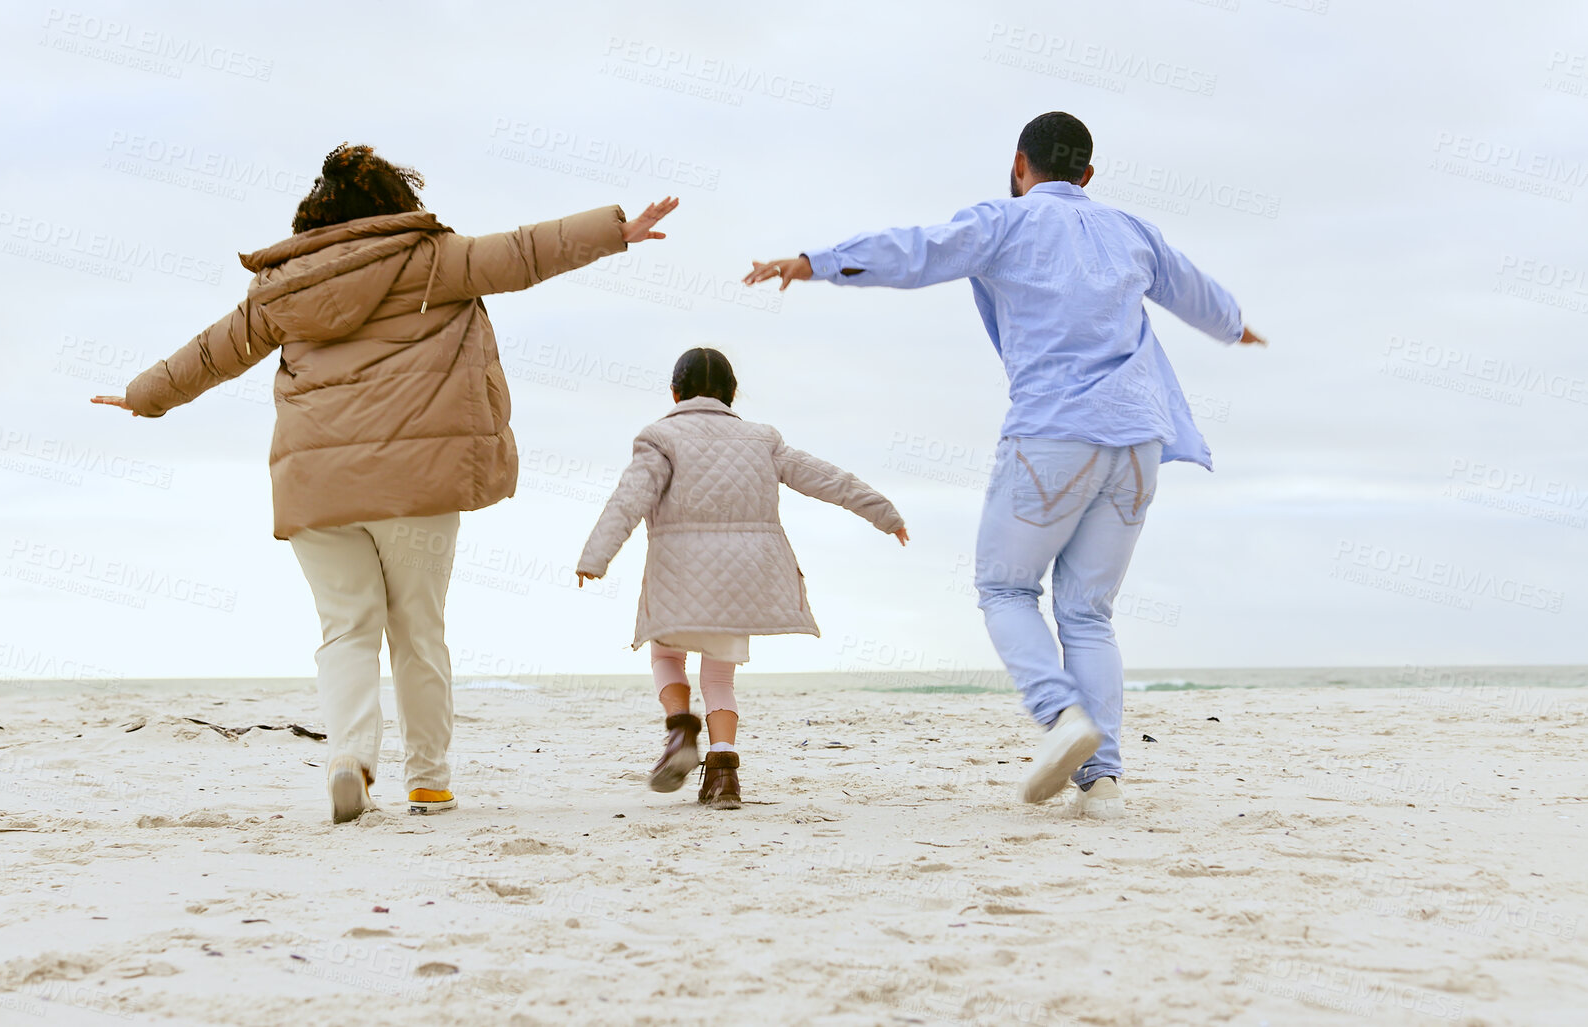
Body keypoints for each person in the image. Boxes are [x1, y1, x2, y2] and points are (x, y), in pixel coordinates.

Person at [93, 143, 680, 823]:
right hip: (417, 484)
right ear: (394, 205)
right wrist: (617, 231)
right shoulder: (432, 258)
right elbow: (525, 252)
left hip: (315, 486)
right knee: (418, 630)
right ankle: (428, 780)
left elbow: (210, 353)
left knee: (345, 629)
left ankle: (349, 758)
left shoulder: (280, 287)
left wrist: (142, 396)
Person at [742, 112, 1265, 819]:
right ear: (1086, 176)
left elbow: (917, 252)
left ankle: (1062, 718)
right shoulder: (1131, 231)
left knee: (1004, 587)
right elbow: (1197, 293)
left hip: (1054, 432)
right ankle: (1101, 781)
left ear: (1021, 166)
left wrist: (816, 262)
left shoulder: (1006, 222)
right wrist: (1237, 328)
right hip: (1140, 438)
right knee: (1087, 612)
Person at [575, 348, 908, 810]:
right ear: (733, 394)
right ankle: (724, 773)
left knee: (666, 654)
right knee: (719, 677)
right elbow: (826, 477)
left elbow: (629, 499)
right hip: (742, 580)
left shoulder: (660, 437)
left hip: (679, 575)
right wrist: (884, 513)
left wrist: (595, 557)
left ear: (674, 392)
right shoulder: (762, 439)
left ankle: (680, 729)